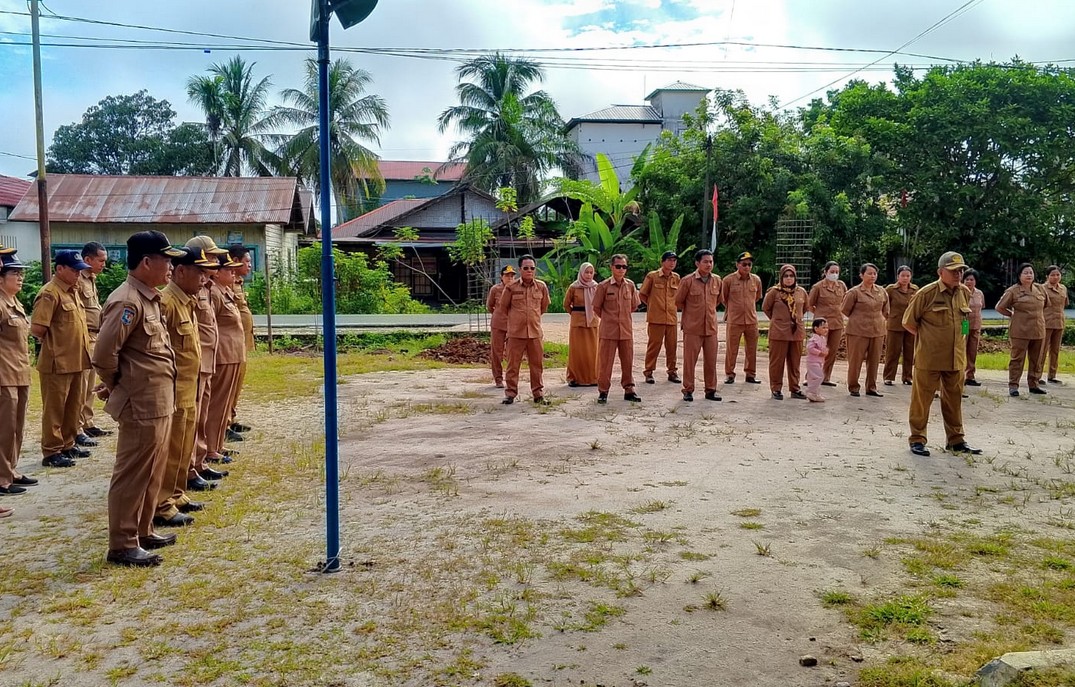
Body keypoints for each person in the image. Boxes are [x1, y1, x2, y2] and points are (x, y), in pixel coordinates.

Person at [93, 231, 185, 567]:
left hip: (158, 399)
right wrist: (119, 384)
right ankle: (122, 542)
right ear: (147, 262)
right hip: (141, 401)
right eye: (167, 259)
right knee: (132, 472)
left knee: (153, 468)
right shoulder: (127, 300)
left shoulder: (149, 298)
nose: (171, 266)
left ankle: (142, 530)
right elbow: (104, 354)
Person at [154, 247, 218, 528]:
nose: (204, 279)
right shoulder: (167, 302)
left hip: (189, 385)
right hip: (175, 387)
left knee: (183, 444)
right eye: (199, 272)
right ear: (181, 272)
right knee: (172, 447)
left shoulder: (185, 301)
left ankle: (177, 493)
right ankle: (162, 503)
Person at [903, 251, 981, 457]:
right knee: (922, 400)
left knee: (954, 400)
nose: (958, 274)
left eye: (961, 270)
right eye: (954, 271)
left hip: (955, 358)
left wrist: (962, 338)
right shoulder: (926, 294)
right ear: (940, 272)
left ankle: (956, 440)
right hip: (930, 357)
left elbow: (965, 321)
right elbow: (909, 322)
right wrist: (929, 338)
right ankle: (917, 439)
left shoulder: (964, 292)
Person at [31, 250, 92, 468]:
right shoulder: (50, 293)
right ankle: (51, 450)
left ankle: (68, 443)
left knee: (73, 407)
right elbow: (38, 328)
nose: (78, 274)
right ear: (60, 269)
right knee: (55, 409)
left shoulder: (72, 291)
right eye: (74, 270)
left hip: (77, 361)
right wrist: (57, 347)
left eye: (79, 271)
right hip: (58, 363)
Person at [185, 236, 230, 489]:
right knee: (193, 420)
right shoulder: (193, 291)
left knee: (201, 417)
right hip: (196, 363)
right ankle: (190, 468)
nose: (215, 261)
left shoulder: (206, 288)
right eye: (211, 257)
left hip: (207, 361)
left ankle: (199, 462)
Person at [0, 249, 38, 502]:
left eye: (22, 273)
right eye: (15, 273)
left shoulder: (14, 303)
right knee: (4, 428)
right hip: (3, 374)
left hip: (19, 372)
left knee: (16, 428)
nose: (21, 278)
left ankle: (10, 470)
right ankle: (1, 478)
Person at [203, 252, 245, 475]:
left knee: (225, 403)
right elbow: (213, 326)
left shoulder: (224, 291)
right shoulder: (214, 294)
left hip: (233, 353)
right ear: (217, 273)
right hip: (223, 355)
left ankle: (217, 445)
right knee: (217, 404)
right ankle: (210, 448)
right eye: (228, 270)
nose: (233, 272)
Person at [499, 255, 550, 404]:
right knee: (513, 365)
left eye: (532, 268)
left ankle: (538, 394)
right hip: (516, 333)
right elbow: (503, 307)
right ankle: (510, 394)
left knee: (537, 365)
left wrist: (532, 318)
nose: (529, 271)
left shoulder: (541, 287)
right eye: (526, 268)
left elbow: (544, 306)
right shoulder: (511, 287)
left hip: (534, 333)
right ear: (520, 269)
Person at [996, 263, 1049, 396]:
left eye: (1031, 272)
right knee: (1017, 359)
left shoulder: (1040, 289)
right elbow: (1000, 307)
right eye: (1025, 273)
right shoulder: (1013, 291)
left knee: (1037, 359)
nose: (1029, 275)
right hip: (1020, 331)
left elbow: (1046, 305)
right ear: (1019, 275)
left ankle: (1034, 384)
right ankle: (1013, 385)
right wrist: (1012, 315)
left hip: (1038, 329)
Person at [76, 242, 111, 446]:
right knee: (81, 386)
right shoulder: (79, 279)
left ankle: (87, 422)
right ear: (87, 259)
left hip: (94, 336)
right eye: (101, 260)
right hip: (84, 336)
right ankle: (78, 426)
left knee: (89, 384)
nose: (103, 265)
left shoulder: (91, 279)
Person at [594, 254, 642, 404]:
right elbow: (596, 307)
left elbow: (634, 305)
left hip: (626, 330)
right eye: (618, 266)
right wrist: (610, 319)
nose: (621, 269)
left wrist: (623, 318)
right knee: (605, 363)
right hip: (609, 331)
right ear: (612, 267)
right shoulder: (603, 286)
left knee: (628, 361)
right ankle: (603, 391)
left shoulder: (630, 285)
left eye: (624, 266)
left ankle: (629, 389)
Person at [675, 249, 722, 402]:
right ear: (697, 263)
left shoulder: (717, 280)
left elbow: (719, 301)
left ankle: (711, 390)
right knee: (690, 361)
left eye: (711, 261)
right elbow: (679, 301)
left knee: (711, 361)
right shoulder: (687, 281)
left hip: (711, 328)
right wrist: (692, 314)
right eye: (705, 261)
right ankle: (688, 390)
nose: (709, 265)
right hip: (692, 328)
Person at [841, 263, 890, 397]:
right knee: (855, 361)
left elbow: (886, 310)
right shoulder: (854, 292)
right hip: (857, 331)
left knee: (874, 361)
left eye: (875, 273)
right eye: (869, 273)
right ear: (862, 275)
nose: (873, 276)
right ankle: (854, 386)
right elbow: (845, 310)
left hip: (877, 331)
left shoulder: (881, 291)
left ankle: (871, 387)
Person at [762, 264, 807, 400]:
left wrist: (794, 319)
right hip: (779, 332)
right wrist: (778, 320)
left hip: (796, 332)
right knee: (777, 362)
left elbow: (804, 308)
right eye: (786, 276)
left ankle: (795, 388)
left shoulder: (801, 292)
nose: (789, 279)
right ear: (781, 277)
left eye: (791, 276)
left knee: (795, 362)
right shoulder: (774, 292)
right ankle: (776, 388)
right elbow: (766, 308)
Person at [639, 251, 681, 385]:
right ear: (662, 262)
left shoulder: (676, 277)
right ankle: (649, 371)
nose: (672, 263)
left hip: (671, 318)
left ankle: (672, 371)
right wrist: (653, 306)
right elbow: (643, 294)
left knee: (672, 346)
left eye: (674, 260)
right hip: (656, 318)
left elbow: (679, 296)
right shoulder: (653, 276)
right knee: (654, 346)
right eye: (669, 260)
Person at [226, 244, 254, 439]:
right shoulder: (226, 283)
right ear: (235, 261)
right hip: (231, 344)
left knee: (237, 383)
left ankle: (231, 418)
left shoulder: (238, 282)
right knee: (229, 384)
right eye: (247, 261)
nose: (250, 265)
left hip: (241, 341)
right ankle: (225, 423)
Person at [722, 252, 763, 384]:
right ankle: (730, 374)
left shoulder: (756, 280)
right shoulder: (728, 280)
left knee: (751, 349)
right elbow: (723, 298)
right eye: (744, 264)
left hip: (751, 320)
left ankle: (750, 374)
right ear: (737, 264)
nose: (747, 267)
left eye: (749, 264)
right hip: (735, 320)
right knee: (731, 349)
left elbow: (757, 297)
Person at [807, 261, 848, 387]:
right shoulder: (818, 287)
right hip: (822, 324)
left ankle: (826, 377)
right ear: (825, 272)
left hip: (837, 322)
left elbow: (845, 301)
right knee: (819, 350)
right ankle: (811, 376)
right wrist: (819, 315)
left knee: (831, 351)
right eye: (832, 272)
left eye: (837, 272)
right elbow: (809, 304)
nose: (834, 274)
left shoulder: (841, 285)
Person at [563, 262, 599, 387]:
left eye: (591, 272)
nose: (588, 275)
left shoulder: (596, 287)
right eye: (586, 272)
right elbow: (566, 304)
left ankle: (593, 377)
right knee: (577, 350)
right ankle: (575, 378)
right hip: (577, 323)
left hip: (593, 322)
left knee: (593, 350)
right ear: (581, 273)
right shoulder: (574, 287)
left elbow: (600, 303)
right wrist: (575, 314)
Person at [883, 266, 919, 386]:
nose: (905, 278)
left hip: (910, 324)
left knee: (909, 352)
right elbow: (884, 305)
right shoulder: (891, 289)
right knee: (893, 352)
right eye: (902, 276)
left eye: (907, 276)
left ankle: (907, 377)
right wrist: (887, 317)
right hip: (895, 324)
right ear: (898, 276)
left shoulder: (914, 289)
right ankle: (889, 377)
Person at [486, 265, 516, 388]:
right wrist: (498, 315)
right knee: (496, 352)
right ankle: (498, 379)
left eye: (512, 275)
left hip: (513, 325)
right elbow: (489, 306)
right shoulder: (495, 289)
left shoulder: (517, 288)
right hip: (498, 324)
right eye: (507, 275)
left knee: (512, 353)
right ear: (501, 277)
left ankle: (511, 379)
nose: (510, 278)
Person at [1043, 266, 1069, 384]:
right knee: (1041, 350)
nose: (1055, 277)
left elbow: (1065, 303)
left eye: (1058, 275)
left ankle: (1052, 375)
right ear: (1047, 277)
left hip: (1059, 323)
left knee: (1055, 350)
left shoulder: (1063, 288)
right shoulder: (1042, 288)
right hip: (1046, 323)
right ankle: (1036, 376)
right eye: (1053, 275)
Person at [963, 270, 985, 386]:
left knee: (972, 351)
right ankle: (960, 375)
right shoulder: (960, 292)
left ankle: (970, 376)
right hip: (965, 324)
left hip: (976, 325)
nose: (969, 282)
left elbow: (982, 307)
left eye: (972, 279)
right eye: (967, 279)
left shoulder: (979, 293)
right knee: (962, 349)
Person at [805, 319, 829, 403]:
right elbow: (810, 348)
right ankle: (811, 392)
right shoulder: (814, 339)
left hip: (819, 361)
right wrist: (819, 353)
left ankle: (815, 394)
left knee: (814, 377)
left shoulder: (822, 338)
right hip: (812, 361)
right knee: (819, 376)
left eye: (827, 327)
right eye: (823, 327)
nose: (826, 329)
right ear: (816, 328)